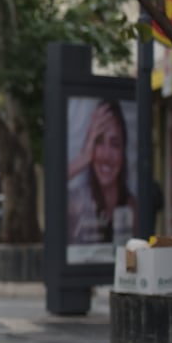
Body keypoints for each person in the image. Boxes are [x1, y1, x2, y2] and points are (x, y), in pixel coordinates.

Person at [67, 99, 136, 244]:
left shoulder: (133, 207)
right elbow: (53, 192)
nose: (106, 155)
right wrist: (83, 158)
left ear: (124, 151)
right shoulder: (77, 202)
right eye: (98, 142)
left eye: (115, 144)